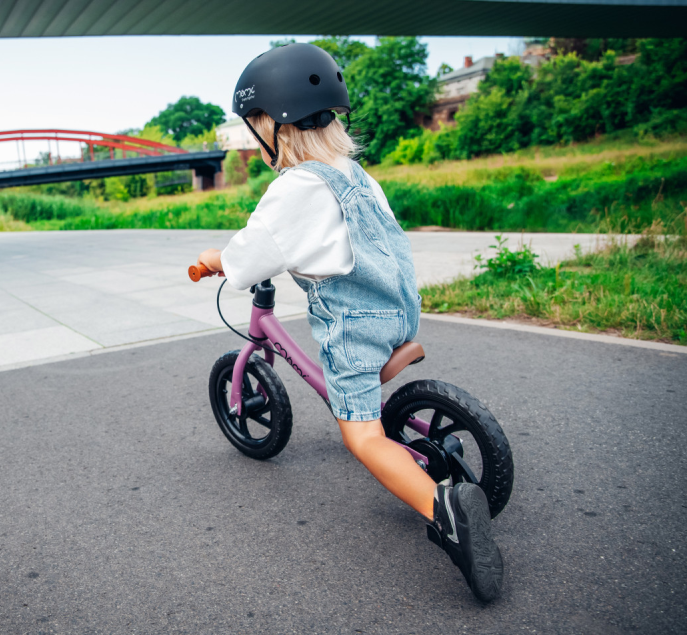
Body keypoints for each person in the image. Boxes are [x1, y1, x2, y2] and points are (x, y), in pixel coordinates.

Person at [196, 43, 504, 602]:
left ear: (274, 126)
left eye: (254, 126)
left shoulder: (294, 186)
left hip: (356, 327)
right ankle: (426, 457)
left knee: (361, 436)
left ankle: (448, 513)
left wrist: (218, 260)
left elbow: (251, 253)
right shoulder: (352, 173)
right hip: (399, 308)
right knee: (360, 394)